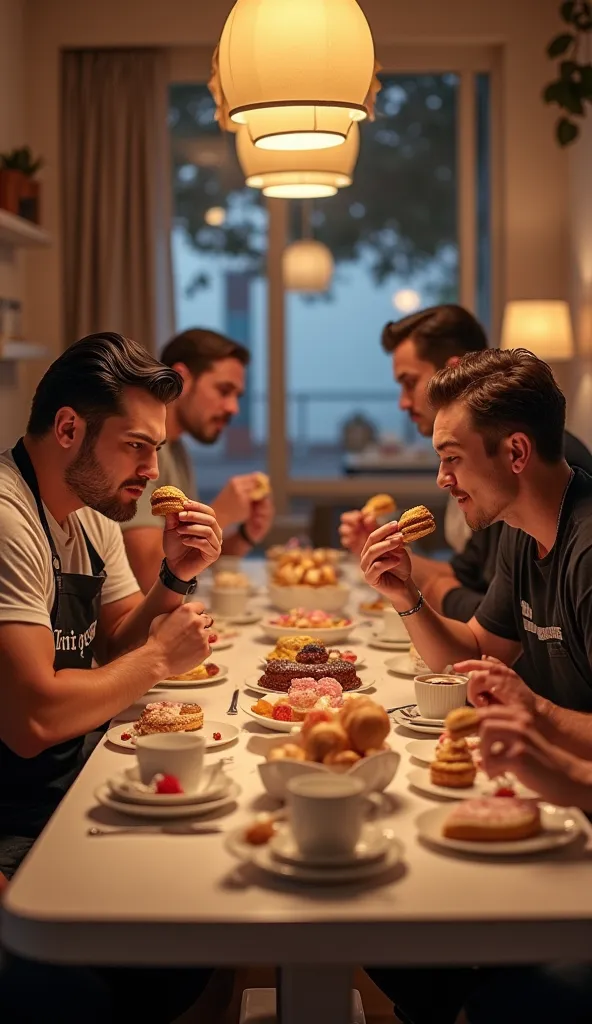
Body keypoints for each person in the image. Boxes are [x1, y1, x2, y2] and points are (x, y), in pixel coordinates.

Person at [361, 348, 592, 1024]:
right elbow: (475, 652)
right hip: (553, 805)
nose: (443, 479)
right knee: (383, 920)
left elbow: (531, 706)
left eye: (454, 458)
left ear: (515, 452)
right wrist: (405, 597)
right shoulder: (523, 532)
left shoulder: (586, 550)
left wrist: (535, 711)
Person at [0, 332, 223, 879]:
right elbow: (32, 717)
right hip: (15, 818)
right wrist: (159, 660)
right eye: (136, 445)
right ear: (69, 428)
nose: (152, 470)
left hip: (71, 779)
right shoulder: (8, 519)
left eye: (157, 450)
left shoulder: (90, 510)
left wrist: (175, 575)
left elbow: (117, 637)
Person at [340, 304, 592, 619]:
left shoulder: (531, 473)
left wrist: (430, 589)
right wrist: (387, 558)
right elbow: (470, 576)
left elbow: (511, 620)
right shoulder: (495, 496)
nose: (402, 402)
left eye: (409, 382)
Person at [121, 328, 274, 592]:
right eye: (224, 390)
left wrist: (248, 534)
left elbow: (190, 562)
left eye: (237, 396)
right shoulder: (139, 448)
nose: (233, 408)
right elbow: (148, 577)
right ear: (182, 379)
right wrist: (221, 513)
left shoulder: (177, 449)